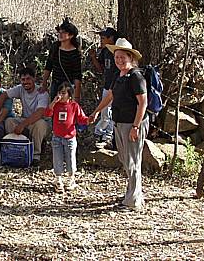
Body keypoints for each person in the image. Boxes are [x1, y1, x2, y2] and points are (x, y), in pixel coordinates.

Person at [88, 38, 148, 211]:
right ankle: (132, 193)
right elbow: (110, 96)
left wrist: (136, 126)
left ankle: (133, 201)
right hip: (119, 123)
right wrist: (96, 112)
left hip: (132, 124)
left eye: (123, 57)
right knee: (125, 159)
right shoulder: (119, 76)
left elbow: (142, 103)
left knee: (133, 161)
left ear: (130, 57)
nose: (119, 60)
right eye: (117, 57)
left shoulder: (136, 76)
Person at [0, 67, 50, 166]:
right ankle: (15, 149)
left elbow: (40, 112)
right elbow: (3, 95)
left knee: (40, 124)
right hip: (25, 120)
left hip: (39, 122)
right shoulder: (20, 88)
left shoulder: (42, 92)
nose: (25, 82)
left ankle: (35, 155)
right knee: (9, 121)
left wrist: (22, 125)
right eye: (23, 79)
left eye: (28, 79)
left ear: (34, 79)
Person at [45, 82, 89, 192]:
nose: (60, 95)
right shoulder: (56, 105)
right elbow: (47, 113)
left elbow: (81, 118)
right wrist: (53, 102)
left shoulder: (74, 106)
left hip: (70, 138)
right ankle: (58, 179)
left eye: (63, 93)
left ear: (69, 95)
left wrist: (89, 119)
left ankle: (71, 179)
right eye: (59, 92)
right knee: (57, 158)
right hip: (57, 137)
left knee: (70, 159)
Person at [88, 27, 120, 147]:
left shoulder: (117, 53)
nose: (101, 40)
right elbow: (101, 69)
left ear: (111, 38)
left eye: (103, 38)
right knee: (105, 111)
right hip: (107, 86)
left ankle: (107, 136)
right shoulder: (105, 51)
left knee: (111, 112)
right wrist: (93, 58)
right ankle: (100, 134)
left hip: (116, 87)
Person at [41, 17, 82, 102]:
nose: (60, 34)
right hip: (55, 84)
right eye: (59, 32)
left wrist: (76, 96)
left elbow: (77, 75)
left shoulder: (75, 53)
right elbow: (49, 65)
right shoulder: (55, 47)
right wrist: (44, 82)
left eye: (64, 32)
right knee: (54, 108)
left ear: (71, 35)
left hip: (68, 86)